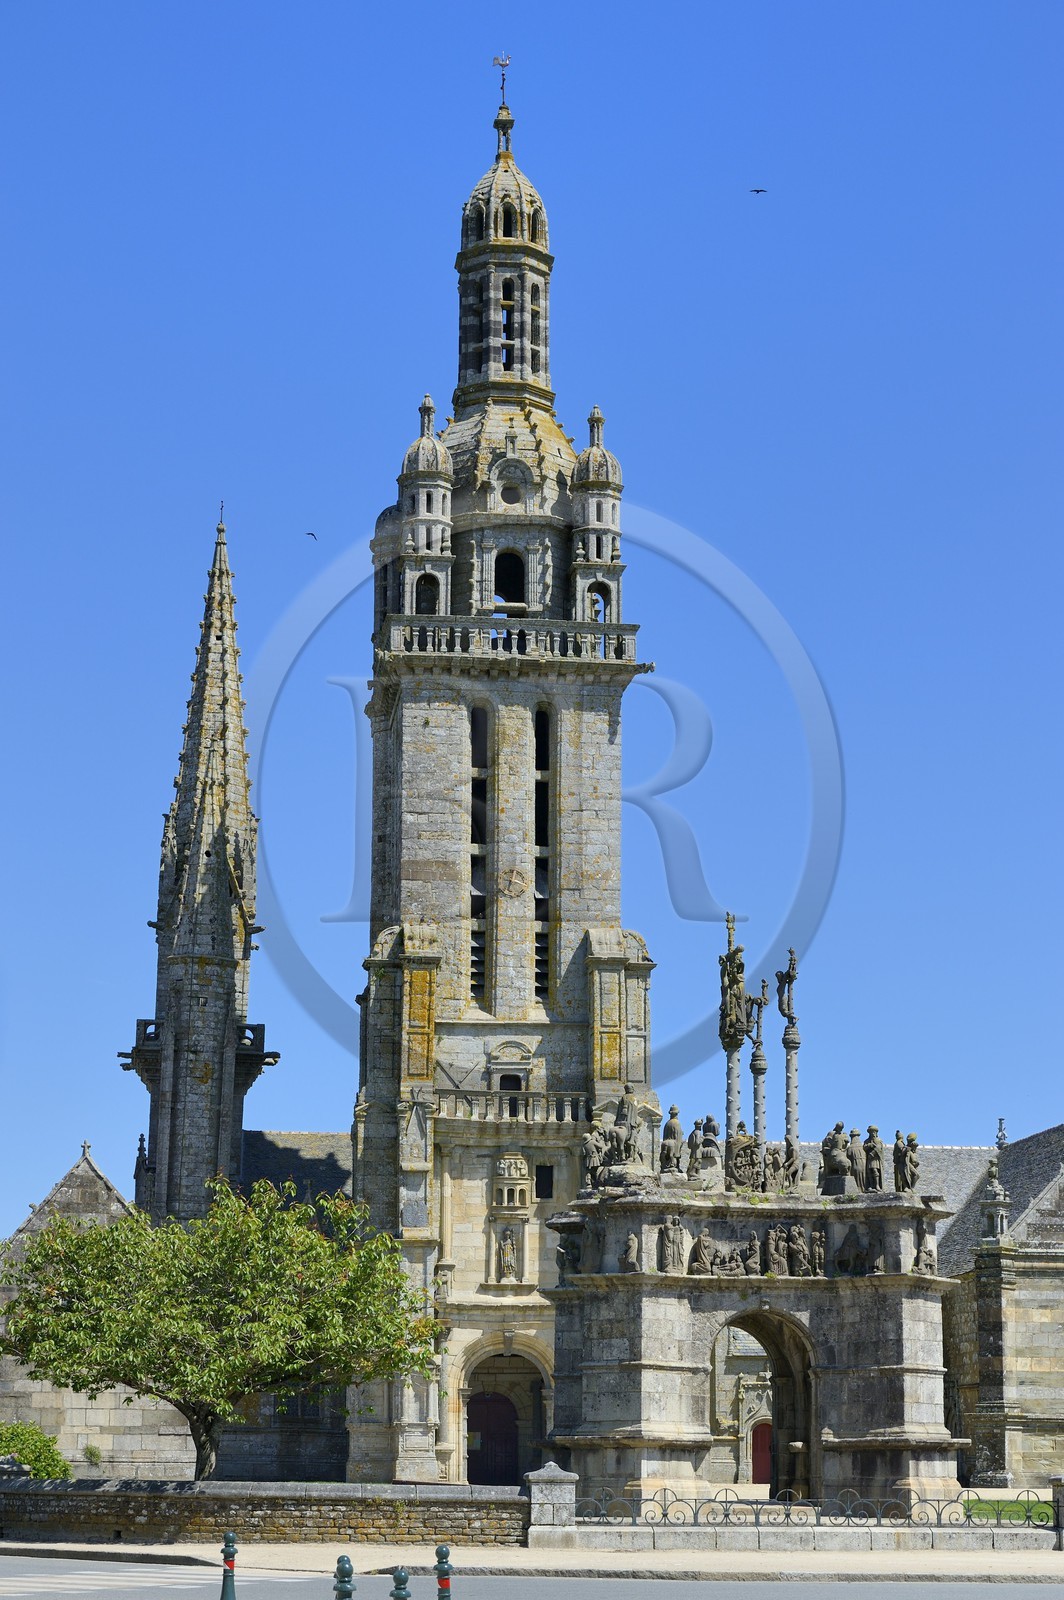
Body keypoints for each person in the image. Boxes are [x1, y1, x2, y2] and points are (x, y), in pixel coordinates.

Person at [659, 1106, 684, 1173]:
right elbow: (677, 1137)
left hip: (665, 1142)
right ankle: (674, 1165)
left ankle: (664, 1165)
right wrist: (678, 1151)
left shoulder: (667, 1123)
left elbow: (664, 1136)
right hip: (673, 1143)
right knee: (673, 1155)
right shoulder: (677, 1123)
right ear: (677, 1113)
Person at [864, 1126, 884, 1192]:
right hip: (869, 1159)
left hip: (875, 1159)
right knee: (869, 1172)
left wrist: (872, 1153)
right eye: (871, 1132)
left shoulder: (878, 1140)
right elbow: (864, 1148)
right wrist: (869, 1145)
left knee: (875, 1171)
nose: (873, 1133)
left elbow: (879, 1148)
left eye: (874, 1132)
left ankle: (877, 1185)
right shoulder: (866, 1141)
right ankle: (871, 1185)